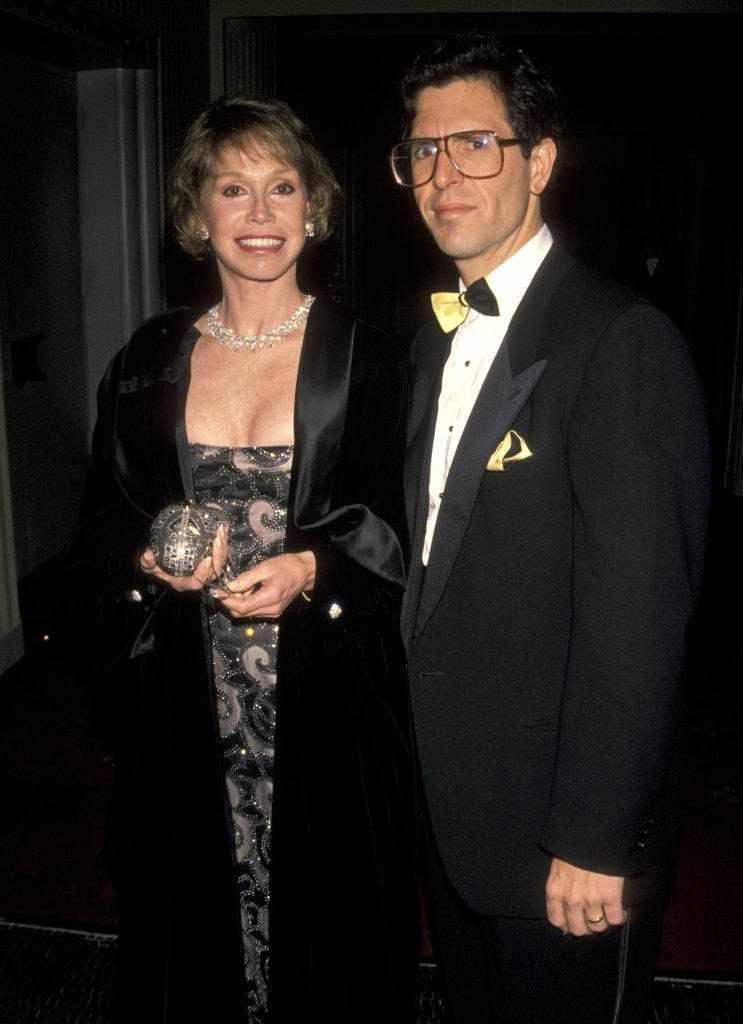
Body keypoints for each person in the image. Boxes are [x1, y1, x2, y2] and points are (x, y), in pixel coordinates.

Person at [74, 94, 419, 1023]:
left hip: (330, 698)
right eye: (234, 189)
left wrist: (317, 569)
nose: (260, 215)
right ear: (198, 212)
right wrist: (150, 559)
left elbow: (416, 526)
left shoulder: (370, 359)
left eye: (282, 188)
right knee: (189, 920)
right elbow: (100, 521)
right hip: (183, 697)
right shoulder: (148, 360)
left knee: (333, 926)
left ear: (314, 208)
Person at [391, 30, 710, 1024]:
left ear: (539, 159)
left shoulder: (620, 340)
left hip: (561, 834)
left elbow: (640, 621)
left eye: (475, 143)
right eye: (423, 150)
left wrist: (595, 831)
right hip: (458, 812)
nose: (442, 173)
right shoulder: (429, 339)